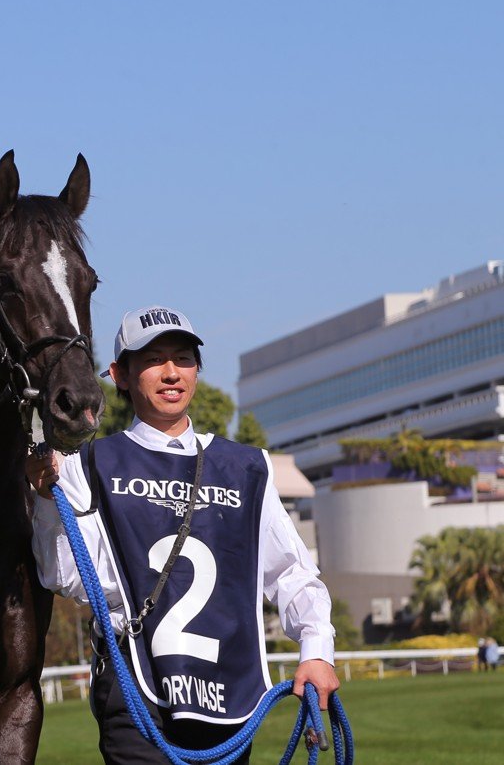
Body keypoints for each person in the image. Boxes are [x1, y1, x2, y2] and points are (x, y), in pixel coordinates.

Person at [26, 306, 340, 764]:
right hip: (136, 687)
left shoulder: (248, 467)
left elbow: (291, 571)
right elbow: (66, 575)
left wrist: (317, 650)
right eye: (153, 359)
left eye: (184, 358)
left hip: (229, 692)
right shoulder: (85, 465)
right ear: (121, 375)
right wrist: (46, 501)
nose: (171, 372)